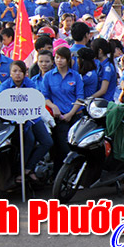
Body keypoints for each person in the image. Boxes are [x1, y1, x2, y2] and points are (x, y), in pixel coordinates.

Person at [0, 61, 52, 183]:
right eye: (15, 71)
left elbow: (34, 102)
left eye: (20, 71)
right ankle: (19, 172)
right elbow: (2, 106)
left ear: (25, 73)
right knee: (29, 140)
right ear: (10, 73)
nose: (18, 74)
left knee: (47, 141)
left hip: (32, 118)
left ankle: (28, 168)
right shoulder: (5, 86)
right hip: (14, 121)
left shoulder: (30, 84)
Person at [40, 46, 84, 174]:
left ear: (68, 59)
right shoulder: (48, 76)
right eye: (57, 57)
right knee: (62, 148)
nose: (59, 60)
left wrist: (71, 113)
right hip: (58, 117)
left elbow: (80, 97)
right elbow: (44, 96)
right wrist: (54, 107)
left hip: (75, 115)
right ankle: (60, 176)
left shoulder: (75, 76)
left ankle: (77, 175)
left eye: (62, 58)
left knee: (77, 147)